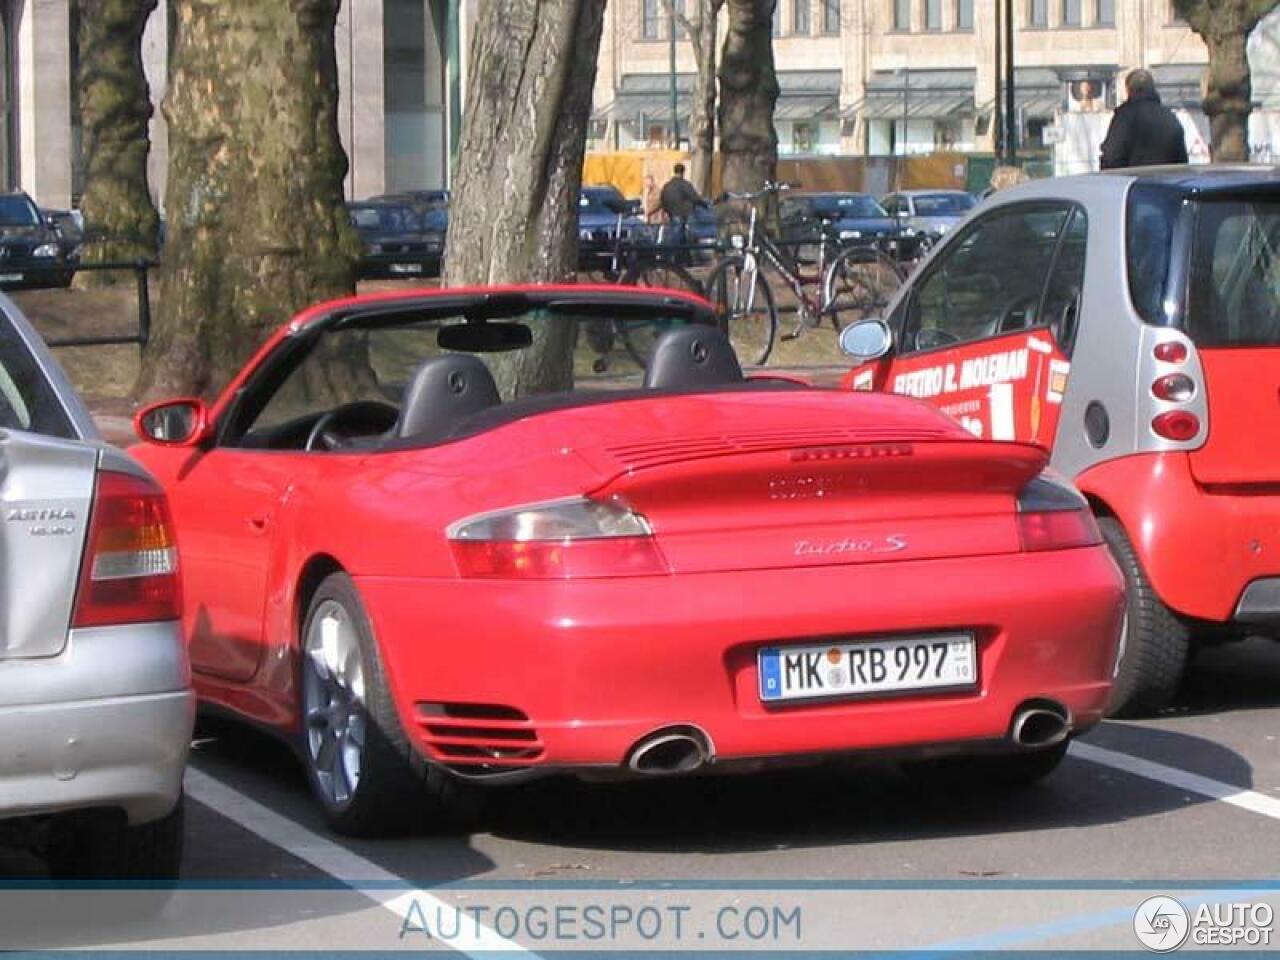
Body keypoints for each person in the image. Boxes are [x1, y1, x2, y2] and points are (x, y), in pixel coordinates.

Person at [1099, 69, 1188, 170]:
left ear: (1129, 90)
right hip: (1166, 183)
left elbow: (1111, 157)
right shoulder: (1170, 117)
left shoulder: (1125, 116)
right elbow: (1182, 162)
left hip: (1134, 182)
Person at [658, 163, 706, 260]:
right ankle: (676, 258)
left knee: (678, 236)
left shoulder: (667, 186)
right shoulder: (684, 185)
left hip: (670, 213)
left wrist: (665, 211)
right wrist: (704, 205)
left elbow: (662, 199)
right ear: (683, 172)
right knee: (679, 237)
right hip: (682, 213)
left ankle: (683, 259)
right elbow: (694, 198)